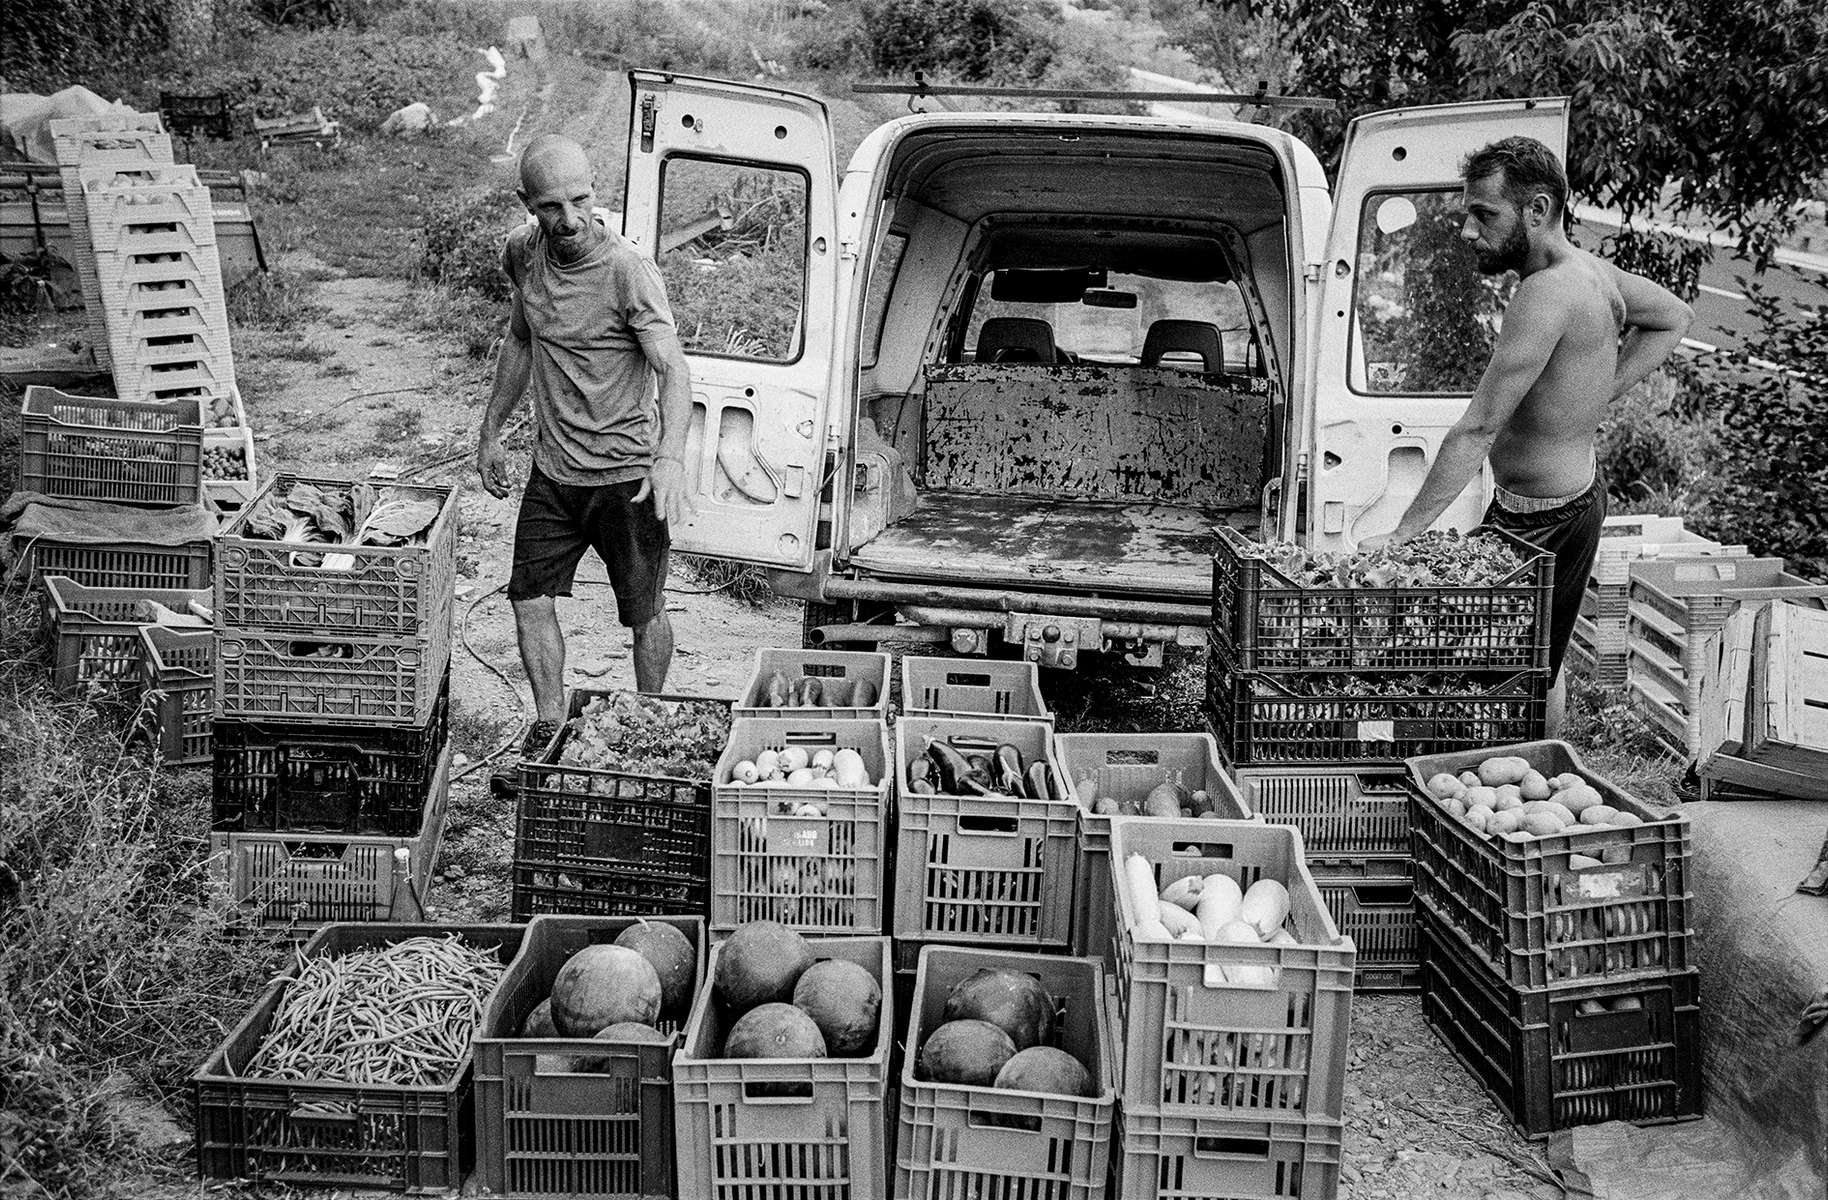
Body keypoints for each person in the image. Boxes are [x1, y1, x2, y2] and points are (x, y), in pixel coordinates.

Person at [1360, 137, 1692, 732]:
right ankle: (1535, 767)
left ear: (1537, 210)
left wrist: (1403, 534)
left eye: (1483, 214)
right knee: (1540, 660)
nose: (1467, 231)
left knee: (1491, 670)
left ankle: (1519, 775)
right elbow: (1672, 317)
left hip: (1547, 516)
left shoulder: (1547, 293)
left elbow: (1479, 426)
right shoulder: (1588, 273)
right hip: (1557, 503)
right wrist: (1599, 391)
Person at [477, 133, 694, 783]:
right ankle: (547, 731)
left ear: (596, 192)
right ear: (526, 205)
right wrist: (489, 433)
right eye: (550, 206)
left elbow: (673, 370)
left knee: (644, 611)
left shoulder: (628, 269)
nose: (568, 220)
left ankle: (649, 726)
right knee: (529, 597)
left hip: (626, 478)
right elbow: (520, 339)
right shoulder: (522, 254)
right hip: (554, 471)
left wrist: (670, 459)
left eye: (580, 199)